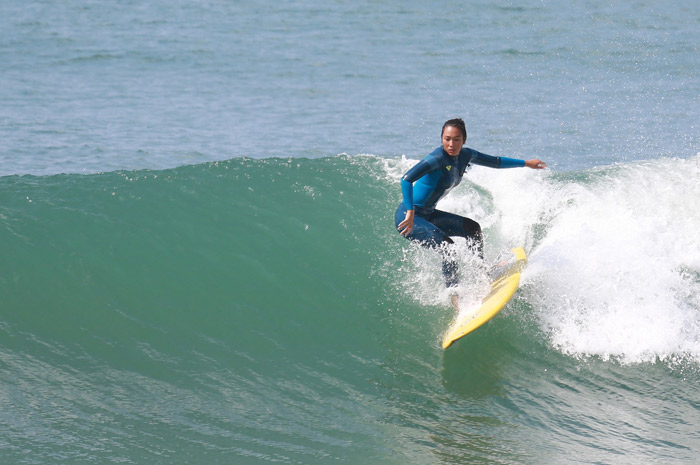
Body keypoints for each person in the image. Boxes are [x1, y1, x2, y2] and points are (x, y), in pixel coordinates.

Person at [395, 118, 546, 290]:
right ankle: (454, 294)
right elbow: (406, 179)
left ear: (464, 140)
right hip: (408, 220)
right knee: (448, 247)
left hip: (429, 215)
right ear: (442, 139)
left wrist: (526, 163)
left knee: (472, 228)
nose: (451, 144)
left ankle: (482, 272)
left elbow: (495, 162)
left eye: (456, 139)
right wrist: (410, 212)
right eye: (447, 139)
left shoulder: (466, 155)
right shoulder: (436, 159)